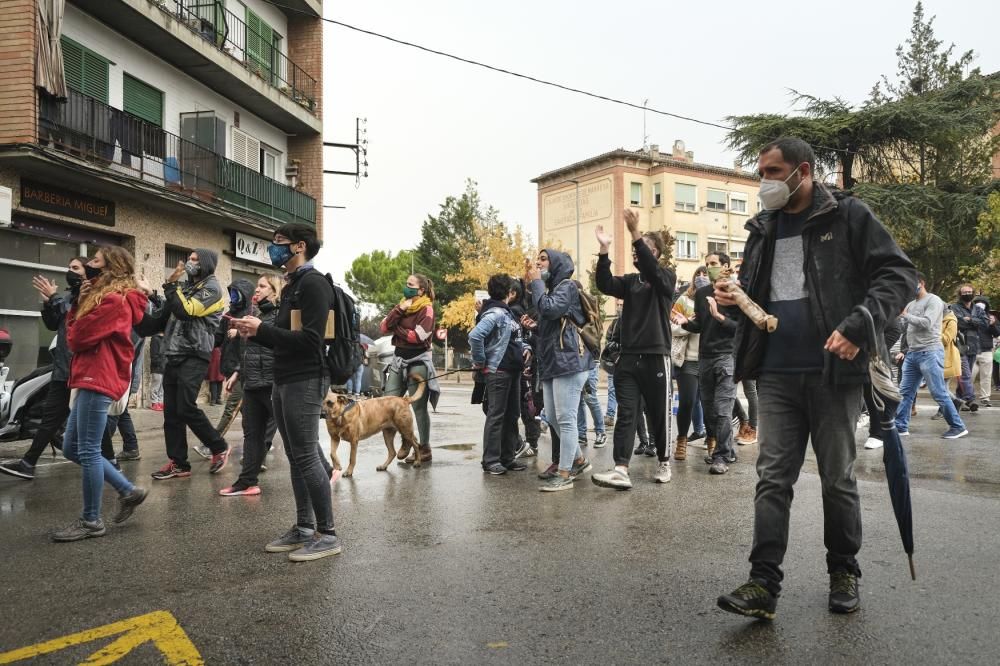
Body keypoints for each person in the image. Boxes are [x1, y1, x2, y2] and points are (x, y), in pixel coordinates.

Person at [716, 137, 915, 619]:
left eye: (772, 171)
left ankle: (843, 570)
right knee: (771, 480)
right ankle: (763, 584)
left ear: (802, 172)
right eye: (760, 172)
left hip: (835, 374)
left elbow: (899, 275)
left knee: (837, 480)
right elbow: (765, 296)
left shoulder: (847, 216)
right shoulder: (762, 228)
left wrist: (858, 326)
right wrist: (736, 301)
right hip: (776, 374)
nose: (764, 181)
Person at [232, 224, 341, 561]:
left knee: (306, 454)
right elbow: (283, 332)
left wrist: (262, 329)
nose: (272, 248)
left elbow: (311, 339)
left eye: (278, 243)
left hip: (304, 378)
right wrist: (254, 330)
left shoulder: (313, 284)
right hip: (283, 377)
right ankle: (305, 528)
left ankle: (328, 534)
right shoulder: (293, 284)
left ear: (299, 247)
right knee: (295, 456)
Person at [52, 246, 149, 542]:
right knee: (72, 447)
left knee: (89, 450)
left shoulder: (114, 301)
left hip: (100, 375)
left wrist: (79, 308)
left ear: (111, 269)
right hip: (89, 375)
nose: (87, 266)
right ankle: (127, 490)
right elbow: (75, 335)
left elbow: (77, 338)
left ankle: (91, 520)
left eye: (94, 261)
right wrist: (79, 304)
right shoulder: (100, 297)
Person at [591, 208, 676, 489]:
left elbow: (652, 269)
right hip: (628, 359)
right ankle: (620, 469)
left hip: (656, 357)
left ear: (657, 254)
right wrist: (604, 252)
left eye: (645, 249)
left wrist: (635, 232)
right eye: (636, 248)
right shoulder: (629, 282)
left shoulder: (665, 277)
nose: (637, 252)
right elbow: (604, 283)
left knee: (658, 414)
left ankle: (664, 460)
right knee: (627, 413)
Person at [143, 249, 231, 480]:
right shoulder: (185, 288)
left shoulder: (212, 288)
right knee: (171, 413)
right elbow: (162, 317)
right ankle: (179, 463)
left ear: (206, 264)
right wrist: (138, 300)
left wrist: (170, 285)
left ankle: (218, 446)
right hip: (173, 353)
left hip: (195, 353)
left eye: (195, 260)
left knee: (185, 407)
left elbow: (187, 311)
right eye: (189, 259)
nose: (189, 263)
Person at [1, 257, 88, 480]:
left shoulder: (89, 296)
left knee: (84, 418)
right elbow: (54, 324)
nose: (70, 271)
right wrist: (48, 302)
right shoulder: (70, 297)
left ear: (87, 271)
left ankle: (111, 464)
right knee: (51, 418)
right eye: (69, 267)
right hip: (63, 367)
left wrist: (54, 298)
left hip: (80, 369)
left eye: (75, 268)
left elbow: (74, 321)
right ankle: (28, 463)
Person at [526, 249, 593, 491]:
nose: (538, 262)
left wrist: (535, 282)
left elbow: (550, 310)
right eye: (538, 259)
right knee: (553, 417)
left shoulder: (567, 286)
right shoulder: (552, 289)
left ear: (556, 263)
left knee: (565, 419)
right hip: (553, 363)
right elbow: (550, 322)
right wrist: (535, 328)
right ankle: (578, 460)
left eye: (543, 259)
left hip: (569, 362)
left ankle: (565, 474)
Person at [673, 252, 740, 475]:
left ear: (726, 267)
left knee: (722, 409)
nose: (709, 268)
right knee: (711, 410)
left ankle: (720, 456)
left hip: (727, 356)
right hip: (705, 358)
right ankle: (727, 449)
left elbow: (741, 328)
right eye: (707, 264)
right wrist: (685, 323)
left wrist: (720, 317)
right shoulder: (702, 293)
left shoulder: (736, 292)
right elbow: (700, 325)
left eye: (714, 264)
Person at [219, 275, 282, 497]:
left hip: (273, 382)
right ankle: (247, 482)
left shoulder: (281, 314)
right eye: (257, 286)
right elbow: (247, 350)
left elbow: (283, 344)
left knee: (295, 435)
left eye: (263, 286)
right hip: (252, 381)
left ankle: (326, 471)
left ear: (275, 291)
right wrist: (237, 372)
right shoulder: (255, 314)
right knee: (251, 434)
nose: (256, 290)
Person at [894, 273, 968, 439]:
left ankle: (957, 426)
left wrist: (906, 315)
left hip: (930, 351)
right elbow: (908, 328)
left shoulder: (933, 300)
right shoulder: (911, 304)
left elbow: (927, 323)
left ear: (921, 282)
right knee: (905, 392)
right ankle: (900, 426)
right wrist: (900, 318)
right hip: (912, 353)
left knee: (938, 392)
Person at [469, 274, 529, 475]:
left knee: (512, 415)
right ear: (510, 293)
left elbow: (513, 339)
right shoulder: (495, 313)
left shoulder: (508, 313)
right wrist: (480, 360)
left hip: (513, 370)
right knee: (496, 415)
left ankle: (508, 457)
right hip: (499, 371)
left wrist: (525, 348)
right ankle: (491, 460)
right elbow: (475, 336)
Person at [379, 273, 440, 464]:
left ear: (421, 290)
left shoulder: (427, 309)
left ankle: (424, 448)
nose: (406, 287)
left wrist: (396, 329)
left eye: (410, 284)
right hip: (398, 361)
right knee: (388, 404)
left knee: (418, 408)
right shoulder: (403, 305)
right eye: (406, 283)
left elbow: (419, 337)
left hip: (418, 362)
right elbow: (383, 327)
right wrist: (398, 310)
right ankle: (407, 441)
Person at [669, 267, 707, 462]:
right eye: (697, 275)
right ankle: (682, 439)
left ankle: (713, 440)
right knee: (687, 401)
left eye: (705, 274)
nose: (701, 278)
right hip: (688, 360)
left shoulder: (716, 299)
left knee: (710, 403)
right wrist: (690, 325)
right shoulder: (684, 300)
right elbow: (673, 327)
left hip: (709, 358)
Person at [950, 284, 986, 409]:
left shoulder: (978, 309)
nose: (967, 294)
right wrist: (974, 321)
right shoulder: (954, 307)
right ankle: (970, 399)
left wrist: (969, 320)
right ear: (960, 294)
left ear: (973, 293)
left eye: (970, 291)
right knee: (965, 373)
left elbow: (984, 323)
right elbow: (958, 322)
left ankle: (959, 401)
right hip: (959, 344)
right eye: (964, 292)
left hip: (973, 344)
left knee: (966, 373)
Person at [969, 294, 999, 406]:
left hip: (986, 351)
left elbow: (997, 333)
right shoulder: (969, 316)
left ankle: (985, 398)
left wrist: (992, 325)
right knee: (969, 376)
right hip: (971, 351)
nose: (980, 305)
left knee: (986, 376)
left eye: (982, 303)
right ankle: (968, 397)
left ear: (986, 305)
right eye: (977, 303)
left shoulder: (991, 317)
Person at [577, 366, 606, 448]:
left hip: (590, 363)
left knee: (590, 398)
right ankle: (581, 434)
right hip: (576, 364)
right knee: (578, 400)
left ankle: (601, 432)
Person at [149, 331, 165, 411]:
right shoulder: (155, 339)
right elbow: (153, 355)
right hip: (157, 367)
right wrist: (159, 363)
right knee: (156, 385)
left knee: (162, 387)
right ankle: (154, 403)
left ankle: (160, 402)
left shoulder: (165, 338)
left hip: (164, 367)